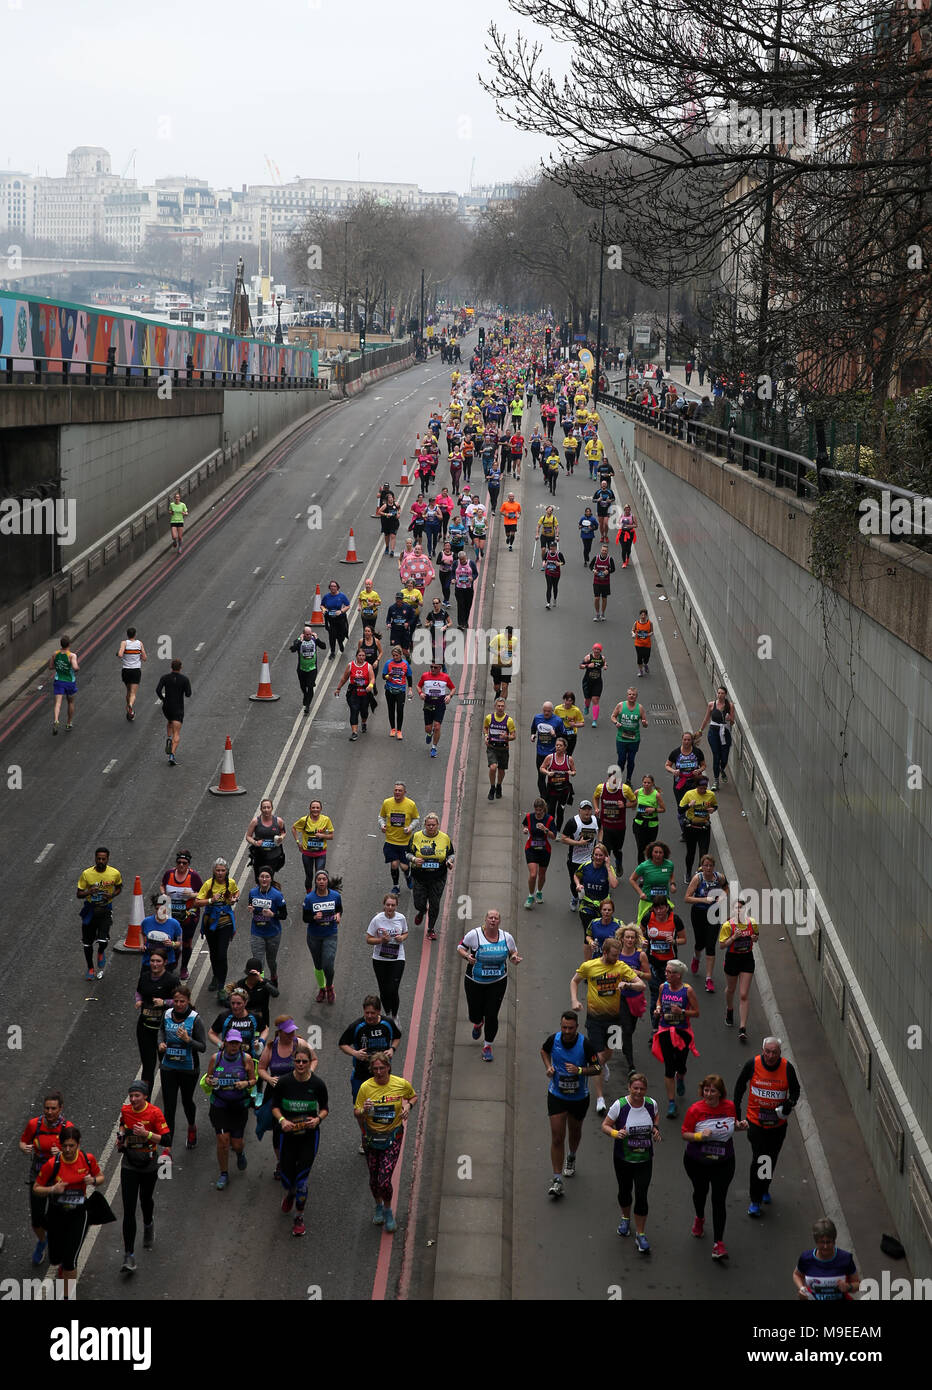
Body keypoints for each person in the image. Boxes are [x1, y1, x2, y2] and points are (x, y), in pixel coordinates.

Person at [571, 935, 646, 1115]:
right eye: (614, 954)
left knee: (609, 1052)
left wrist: (627, 984)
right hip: (595, 1018)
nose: (617, 957)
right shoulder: (590, 966)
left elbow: (641, 985)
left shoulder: (621, 967)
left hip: (614, 1017)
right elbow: (574, 981)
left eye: (618, 954)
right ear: (604, 952)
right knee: (597, 1059)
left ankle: (601, 1065)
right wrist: (574, 1000)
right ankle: (599, 1098)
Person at [33, 1124, 105, 1297]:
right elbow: (37, 1188)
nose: (67, 1149)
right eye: (64, 1145)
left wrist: (93, 1180)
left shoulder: (87, 1159)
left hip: (79, 1214)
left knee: (70, 1261)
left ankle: (67, 1295)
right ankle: (60, 1263)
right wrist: (52, 1190)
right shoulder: (52, 1164)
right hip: (57, 1214)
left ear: (78, 1144)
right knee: (56, 1258)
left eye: (71, 1146)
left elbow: (101, 1177)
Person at [681, 1074, 747, 1259]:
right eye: (706, 1090)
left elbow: (731, 1126)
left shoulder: (729, 1106)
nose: (708, 1094)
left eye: (713, 1091)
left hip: (724, 1162)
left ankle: (719, 1243)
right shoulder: (695, 1110)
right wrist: (700, 1136)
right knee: (700, 1193)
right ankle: (700, 1218)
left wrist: (741, 1126)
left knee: (719, 1200)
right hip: (697, 1162)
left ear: (720, 1093)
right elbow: (684, 1133)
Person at [734, 1036, 801, 1215]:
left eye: (775, 1053)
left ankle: (764, 1187)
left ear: (780, 1053)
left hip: (778, 1125)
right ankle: (755, 1200)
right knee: (760, 1158)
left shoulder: (787, 1068)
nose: (771, 1056)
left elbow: (796, 1091)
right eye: (768, 1052)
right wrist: (736, 1112)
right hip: (755, 1123)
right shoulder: (753, 1064)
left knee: (770, 1158)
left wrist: (789, 1103)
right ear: (763, 1051)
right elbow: (740, 1086)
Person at [541, 1012, 603, 1198]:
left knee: (574, 1132)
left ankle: (572, 1155)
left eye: (570, 1028)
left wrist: (580, 1070)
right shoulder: (554, 1040)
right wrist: (549, 1067)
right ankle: (557, 1179)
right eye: (564, 1027)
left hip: (578, 1098)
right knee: (557, 1137)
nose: (566, 1031)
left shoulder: (585, 1044)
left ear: (577, 1027)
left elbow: (598, 1067)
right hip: (557, 1095)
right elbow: (543, 1051)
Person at [354, 1053, 417, 1233]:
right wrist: (363, 1110)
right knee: (374, 1180)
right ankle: (378, 1206)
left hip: (393, 1136)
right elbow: (356, 1112)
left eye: (382, 1068)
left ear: (389, 1067)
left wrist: (407, 1106)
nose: (379, 1072)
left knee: (384, 1180)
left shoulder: (400, 1084)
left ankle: (388, 1210)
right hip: (371, 1137)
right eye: (375, 1069)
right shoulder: (366, 1087)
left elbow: (413, 1096)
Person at [271, 1044, 329, 1238]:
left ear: (309, 1062)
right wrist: (282, 1121)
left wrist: (317, 1119)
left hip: (309, 1138)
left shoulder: (318, 1084)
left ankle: (299, 1217)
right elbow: (275, 1107)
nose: (301, 1064)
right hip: (287, 1137)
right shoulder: (284, 1083)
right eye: (298, 1061)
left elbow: (325, 1108)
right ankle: (290, 1193)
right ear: (293, 1062)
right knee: (287, 1179)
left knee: (302, 1180)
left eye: (305, 1061)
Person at [117, 1079, 171, 1274]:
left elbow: (166, 1139)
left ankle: (148, 1223)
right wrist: (121, 1138)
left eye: (136, 1095)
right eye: (131, 1095)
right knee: (129, 1210)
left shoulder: (155, 1113)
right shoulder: (126, 1110)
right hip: (129, 1164)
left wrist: (146, 1134)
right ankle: (129, 1255)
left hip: (148, 1165)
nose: (133, 1099)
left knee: (145, 1200)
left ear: (145, 1096)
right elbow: (123, 1125)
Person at [602, 1072, 661, 1250]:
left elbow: (656, 1117)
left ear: (646, 1090)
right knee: (624, 1192)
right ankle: (625, 1219)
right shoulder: (619, 1105)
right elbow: (605, 1125)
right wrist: (615, 1133)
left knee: (642, 1195)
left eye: (642, 1089)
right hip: (623, 1159)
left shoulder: (651, 1104)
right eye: (635, 1088)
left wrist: (656, 1129)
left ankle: (641, 1234)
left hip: (644, 1160)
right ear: (629, 1088)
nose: (638, 1092)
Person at [457, 909, 522, 1062]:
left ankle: (487, 1046)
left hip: (497, 982)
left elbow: (512, 952)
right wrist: (467, 956)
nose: (493, 920)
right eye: (490, 918)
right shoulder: (474, 935)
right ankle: (478, 1023)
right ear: (485, 920)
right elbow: (460, 948)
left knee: (492, 1015)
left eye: (496, 918)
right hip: (474, 981)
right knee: (475, 1014)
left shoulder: (507, 937)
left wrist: (514, 958)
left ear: (499, 921)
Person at [20, 1091, 70, 1267]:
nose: (49, 1112)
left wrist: (64, 1152)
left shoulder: (67, 1128)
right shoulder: (34, 1124)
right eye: (47, 1108)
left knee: (59, 1216)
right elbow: (23, 1140)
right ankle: (43, 1241)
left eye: (53, 1108)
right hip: (39, 1173)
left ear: (61, 1108)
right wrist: (24, 1148)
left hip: (59, 1174)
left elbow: (76, 1152)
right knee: (37, 1219)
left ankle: (62, 1249)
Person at [205, 1028, 256, 1189]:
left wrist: (245, 1083)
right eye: (231, 1043)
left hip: (239, 1106)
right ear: (225, 1042)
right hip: (219, 1105)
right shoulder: (216, 1058)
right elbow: (208, 1077)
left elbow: (254, 1080)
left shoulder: (246, 1059)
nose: (234, 1046)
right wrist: (210, 1081)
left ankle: (240, 1153)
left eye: (237, 1043)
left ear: (240, 1044)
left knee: (236, 1143)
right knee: (222, 1141)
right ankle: (224, 1173)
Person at [158, 982, 207, 1148]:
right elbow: (161, 1031)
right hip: (168, 1067)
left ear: (188, 1001)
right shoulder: (166, 1014)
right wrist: (161, 1043)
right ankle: (168, 1147)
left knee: (187, 1102)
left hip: (188, 1068)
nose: (179, 1004)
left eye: (182, 1001)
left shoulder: (195, 1019)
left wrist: (188, 1040)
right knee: (169, 1107)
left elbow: (202, 1047)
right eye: (176, 1001)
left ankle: (192, 1126)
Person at [650, 959, 700, 1118]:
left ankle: (681, 1077)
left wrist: (682, 1011)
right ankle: (671, 1103)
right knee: (669, 1068)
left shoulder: (687, 991)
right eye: (666, 971)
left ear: (678, 975)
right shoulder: (663, 987)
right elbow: (659, 1000)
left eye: (669, 972)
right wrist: (658, 1008)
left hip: (682, 1032)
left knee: (681, 1065)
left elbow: (697, 1013)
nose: (666, 974)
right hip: (665, 1030)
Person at [339, 997, 402, 1105]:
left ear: (379, 1011)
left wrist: (392, 1049)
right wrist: (355, 1053)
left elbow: (397, 1037)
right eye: (366, 1012)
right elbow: (342, 1044)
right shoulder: (356, 1026)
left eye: (372, 1013)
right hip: (361, 1074)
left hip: (383, 1074)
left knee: (382, 1104)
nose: (369, 1016)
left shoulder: (388, 1023)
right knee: (359, 1108)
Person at [134, 945, 180, 1090]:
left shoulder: (171, 980)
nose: (154, 964)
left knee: (165, 1065)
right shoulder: (145, 977)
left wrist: (165, 1002)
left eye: (158, 961)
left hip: (164, 1030)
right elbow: (139, 991)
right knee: (148, 1066)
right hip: (145, 1028)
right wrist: (138, 1000)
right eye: (152, 961)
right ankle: (145, 1099)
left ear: (165, 962)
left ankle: (169, 1092)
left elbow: (182, 1002)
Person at [195, 858, 240, 1003]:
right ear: (214, 871)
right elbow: (197, 901)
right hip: (210, 923)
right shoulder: (208, 884)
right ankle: (215, 975)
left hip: (225, 923)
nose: (220, 873)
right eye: (218, 870)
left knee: (221, 954)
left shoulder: (230, 883)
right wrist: (211, 901)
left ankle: (221, 987)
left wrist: (234, 899)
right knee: (214, 954)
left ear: (226, 871)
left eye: (223, 870)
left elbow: (236, 892)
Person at [76, 847, 123, 980]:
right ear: (95, 858)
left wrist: (111, 895)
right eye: (98, 858)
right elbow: (79, 894)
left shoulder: (114, 873)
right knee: (87, 943)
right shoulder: (86, 874)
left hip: (105, 910)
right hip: (90, 910)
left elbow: (119, 887)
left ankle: (101, 951)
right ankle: (90, 968)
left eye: (103, 859)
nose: (101, 861)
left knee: (103, 940)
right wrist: (89, 892)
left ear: (108, 859)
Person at [684, 854, 728, 994]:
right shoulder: (698, 878)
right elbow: (687, 898)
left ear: (713, 867)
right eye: (705, 865)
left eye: (710, 866)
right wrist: (703, 900)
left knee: (710, 945)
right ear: (702, 866)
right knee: (700, 942)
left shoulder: (718, 877)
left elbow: (726, 888)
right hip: (699, 913)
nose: (708, 868)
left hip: (714, 913)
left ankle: (709, 978)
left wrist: (722, 896)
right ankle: (696, 957)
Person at [408, 813, 455, 940]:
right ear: (425, 825)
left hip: (438, 878)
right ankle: (422, 911)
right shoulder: (416, 836)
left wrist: (449, 862)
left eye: (433, 825)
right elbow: (407, 853)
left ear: (438, 825)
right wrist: (413, 859)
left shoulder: (444, 838)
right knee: (418, 903)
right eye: (428, 825)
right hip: (419, 877)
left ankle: (431, 929)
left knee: (435, 904)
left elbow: (451, 854)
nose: (431, 827)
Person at [640, 894, 687, 1017]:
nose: (659, 911)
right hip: (652, 962)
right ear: (653, 909)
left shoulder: (675, 919)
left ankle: (669, 1023)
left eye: (662, 908)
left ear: (667, 907)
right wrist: (642, 940)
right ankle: (655, 1027)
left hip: (670, 964)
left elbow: (684, 939)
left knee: (670, 995)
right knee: (655, 994)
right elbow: (639, 933)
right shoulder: (648, 918)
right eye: (656, 908)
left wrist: (674, 941)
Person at [303, 868, 343, 1004]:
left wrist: (338, 916)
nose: (321, 881)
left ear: (327, 881)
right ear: (315, 881)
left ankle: (329, 986)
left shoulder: (335, 896)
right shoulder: (309, 898)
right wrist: (314, 917)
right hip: (314, 936)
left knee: (328, 964)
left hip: (330, 934)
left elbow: (339, 909)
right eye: (319, 879)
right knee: (318, 965)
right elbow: (305, 918)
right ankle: (321, 989)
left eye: (324, 879)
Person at [161, 849, 203, 979]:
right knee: (171, 941)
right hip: (171, 914)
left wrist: (191, 895)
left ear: (188, 864)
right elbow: (163, 885)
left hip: (189, 915)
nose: (181, 865)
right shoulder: (169, 874)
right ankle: (172, 963)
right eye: (179, 862)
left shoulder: (194, 876)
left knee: (186, 942)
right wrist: (163, 894)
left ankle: (184, 968)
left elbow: (203, 893)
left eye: (184, 863)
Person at [366, 893, 408, 1022]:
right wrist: (381, 940)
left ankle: (395, 1017)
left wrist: (402, 937)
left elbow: (405, 932)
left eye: (393, 905)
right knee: (384, 990)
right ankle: (388, 1013)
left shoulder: (401, 918)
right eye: (388, 905)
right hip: (380, 959)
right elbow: (368, 939)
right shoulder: (377, 920)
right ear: (384, 905)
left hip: (397, 958)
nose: (390, 907)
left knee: (393, 989)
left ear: (396, 906)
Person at [794, 1218, 860, 1300]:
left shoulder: (845, 1258)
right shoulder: (806, 1258)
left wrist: (848, 1287)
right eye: (822, 1242)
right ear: (816, 1241)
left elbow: (858, 1284)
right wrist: (802, 1289)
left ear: (834, 1240)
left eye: (828, 1242)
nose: (825, 1246)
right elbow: (797, 1275)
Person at [247, 868, 288, 985]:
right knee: (258, 962)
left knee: (271, 960)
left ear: (271, 879)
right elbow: (251, 905)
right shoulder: (253, 893)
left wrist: (273, 914)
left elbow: (284, 915)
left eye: (267, 877)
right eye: (262, 876)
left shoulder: (277, 895)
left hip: (273, 933)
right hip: (257, 932)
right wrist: (251, 909)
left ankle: (274, 976)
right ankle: (262, 984)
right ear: (258, 878)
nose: (264, 879)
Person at [593, 767, 636, 874]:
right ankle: (605, 875)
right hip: (605, 826)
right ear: (608, 778)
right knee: (605, 851)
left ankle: (619, 863)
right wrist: (596, 808)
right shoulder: (601, 788)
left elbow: (634, 802)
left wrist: (625, 805)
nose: (614, 782)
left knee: (617, 850)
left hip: (619, 827)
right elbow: (595, 797)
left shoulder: (625, 789)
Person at [378, 783, 419, 892]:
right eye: (395, 790)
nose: (397, 792)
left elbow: (416, 819)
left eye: (400, 790)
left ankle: (408, 877)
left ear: (404, 792)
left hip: (405, 842)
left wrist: (410, 827)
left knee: (404, 866)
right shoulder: (387, 803)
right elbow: (381, 817)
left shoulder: (411, 804)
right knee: (394, 864)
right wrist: (382, 825)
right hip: (390, 841)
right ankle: (396, 886)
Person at [560, 798, 601, 905]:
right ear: (579, 811)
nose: (587, 812)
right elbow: (563, 838)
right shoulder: (573, 822)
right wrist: (579, 843)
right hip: (575, 859)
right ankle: (575, 897)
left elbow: (601, 829)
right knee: (574, 884)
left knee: (587, 881)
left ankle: (585, 901)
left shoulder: (596, 820)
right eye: (584, 809)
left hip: (590, 859)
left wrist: (600, 842)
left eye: (589, 809)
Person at [665, 732, 706, 836]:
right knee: (681, 807)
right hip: (680, 784)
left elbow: (704, 765)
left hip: (693, 783)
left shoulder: (697, 752)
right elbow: (667, 765)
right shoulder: (675, 753)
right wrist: (673, 771)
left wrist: (699, 770)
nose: (687, 742)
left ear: (692, 741)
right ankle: (684, 830)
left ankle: (695, 826)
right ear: (682, 740)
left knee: (694, 805)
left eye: (689, 740)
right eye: (685, 740)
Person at [574, 843, 618, 934]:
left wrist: (608, 867)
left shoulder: (608, 869)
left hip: (603, 906)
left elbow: (614, 885)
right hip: (587, 904)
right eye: (596, 855)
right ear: (592, 855)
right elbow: (576, 875)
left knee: (601, 933)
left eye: (601, 855)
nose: (598, 857)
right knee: (588, 934)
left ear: (605, 857)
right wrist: (578, 884)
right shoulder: (586, 866)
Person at [680, 774, 719, 879]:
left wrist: (713, 809)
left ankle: (698, 874)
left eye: (705, 788)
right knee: (691, 852)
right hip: (691, 827)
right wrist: (689, 805)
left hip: (704, 828)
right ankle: (688, 873)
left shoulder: (710, 795)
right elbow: (680, 810)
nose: (703, 790)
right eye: (701, 788)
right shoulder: (689, 794)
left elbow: (715, 805)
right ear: (696, 786)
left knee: (703, 854)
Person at [697, 686, 735, 789]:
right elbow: (706, 719)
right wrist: (700, 730)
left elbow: (732, 722)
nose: (720, 695)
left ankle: (722, 769)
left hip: (724, 733)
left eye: (722, 693)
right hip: (713, 733)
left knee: (724, 758)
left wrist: (729, 718)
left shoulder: (730, 705)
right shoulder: (711, 705)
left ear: (725, 694)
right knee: (716, 756)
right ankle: (716, 781)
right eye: (718, 693)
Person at [291, 799, 334, 890]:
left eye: (317, 808)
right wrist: (298, 842)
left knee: (319, 876)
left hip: (320, 854)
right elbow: (294, 828)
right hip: (307, 854)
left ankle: (317, 895)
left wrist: (322, 835)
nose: (315, 809)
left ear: (321, 809)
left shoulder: (326, 820)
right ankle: (309, 896)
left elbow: (331, 836)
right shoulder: (304, 820)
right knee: (309, 876)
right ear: (309, 809)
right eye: (313, 807)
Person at [155, 657, 191, 765]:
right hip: (178, 708)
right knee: (177, 732)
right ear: (181, 667)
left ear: (171, 667)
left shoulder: (165, 677)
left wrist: (163, 698)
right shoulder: (184, 679)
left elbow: (158, 690)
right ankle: (172, 755)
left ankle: (169, 737)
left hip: (166, 707)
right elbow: (188, 694)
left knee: (170, 721)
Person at [523, 797, 557, 908]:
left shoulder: (549, 819)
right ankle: (530, 896)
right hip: (531, 848)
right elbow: (525, 825)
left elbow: (553, 836)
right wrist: (525, 829)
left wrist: (545, 829)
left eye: (540, 810)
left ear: (544, 809)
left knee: (541, 874)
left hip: (544, 850)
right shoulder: (529, 816)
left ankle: (539, 892)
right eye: (536, 810)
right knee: (533, 874)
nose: (538, 813)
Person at [417, 660, 456, 758]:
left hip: (440, 705)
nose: (432, 669)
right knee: (428, 728)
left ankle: (434, 747)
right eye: (431, 667)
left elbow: (453, 688)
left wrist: (449, 696)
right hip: (428, 704)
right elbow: (418, 686)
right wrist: (420, 693)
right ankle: (429, 734)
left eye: (435, 667)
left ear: (440, 668)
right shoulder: (425, 676)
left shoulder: (445, 677)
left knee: (437, 726)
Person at [612, 687, 648, 784]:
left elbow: (645, 723)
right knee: (621, 760)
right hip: (621, 738)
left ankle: (628, 779)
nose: (631, 696)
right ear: (627, 695)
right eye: (630, 694)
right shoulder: (620, 705)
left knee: (631, 760)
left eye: (634, 695)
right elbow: (613, 716)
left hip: (634, 740)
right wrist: (616, 723)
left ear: (636, 697)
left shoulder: (640, 708)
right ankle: (618, 777)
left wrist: (644, 723)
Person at [245, 798, 287, 881]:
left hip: (274, 855)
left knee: (269, 878)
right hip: (260, 855)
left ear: (272, 808)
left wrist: (281, 837)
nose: (266, 810)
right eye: (264, 808)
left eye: (268, 807)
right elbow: (248, 836)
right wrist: (255, 842)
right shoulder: (255, 822)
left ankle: (268, 892)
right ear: (261, 809)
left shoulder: (279, 821)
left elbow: (283, 832)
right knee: (259, 878)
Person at [530, 701, 567, 794]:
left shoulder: (558, 720)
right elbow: (533, 728)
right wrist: (533, 735)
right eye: (544, 711)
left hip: (553, 754)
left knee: (553, 777)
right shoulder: (537, 718)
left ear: (552, 711)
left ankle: (552, 795)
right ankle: (544, 798)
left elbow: (564, 734)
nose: (546, 713)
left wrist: (555, 735)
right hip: (540, 752)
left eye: (548, 711)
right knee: (541, 775)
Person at [290, 625, 326, 715]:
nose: (309, 636)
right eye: (307, 634)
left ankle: (307, 705)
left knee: (310, 686)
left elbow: (324, 646)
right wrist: (299, 641)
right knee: (303, 686)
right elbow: (292, 649)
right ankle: (305, 696)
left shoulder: (314, 640)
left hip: (312, 669)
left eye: (310, 634)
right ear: (303, 634)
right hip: (301, 669)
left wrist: (317, 639)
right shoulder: (299, 641)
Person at [632, 774, 666, 863]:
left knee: (650, 848)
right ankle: (641, 870)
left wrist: (653, 809)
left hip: (652, 824)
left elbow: (663, 809)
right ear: (642, 783)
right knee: (640, 848)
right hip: (639, 823)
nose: (646, 784)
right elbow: (633, 803)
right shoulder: (637, 792)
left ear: (652, 784)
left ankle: (650, 867)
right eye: (644, 782)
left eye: (648, 783)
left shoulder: (656, 795)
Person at [381, 644, 413, 739]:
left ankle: (399, 731)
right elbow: (383, 676)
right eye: (393, 655)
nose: (395, 657)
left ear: (401, 655)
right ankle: (392, 729)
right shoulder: (388, 663)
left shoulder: (405, 664)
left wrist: (410, 689)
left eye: (396, 655)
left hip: (401, 690)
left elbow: (409, 677)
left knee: (399, 710)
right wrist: (388, 676)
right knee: (391, 709)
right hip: (389, 689)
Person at [49, 635, 79, 733]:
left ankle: (56, 719)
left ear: (61, 644)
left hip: (58, 681)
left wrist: (59, 666)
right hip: (70, 682)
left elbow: (51, 667)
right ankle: (69, 723)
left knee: (58, 703)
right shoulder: (71, 655)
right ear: (69, 644)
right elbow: (75, 667)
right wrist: (76, 668)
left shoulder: (55, 654)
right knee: (70, 702)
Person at [117, 627, 147, 721]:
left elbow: (120, 655)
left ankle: (129, 710)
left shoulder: (124, 643)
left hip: (126, 670)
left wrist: (119, 653)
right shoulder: (139, 643)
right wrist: (138, 655)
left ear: (127, 635)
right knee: (133, 693)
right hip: (135, 670)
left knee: (128, 691)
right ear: (135, 634)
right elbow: (145, 658)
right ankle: (130, 705)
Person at [321, 580, 351, 658]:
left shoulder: (341, 596)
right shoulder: (326, 596)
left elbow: (348, 605)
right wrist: (324, 609)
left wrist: (341, 611)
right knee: (332, 635)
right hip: (331, 619)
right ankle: (332, 652)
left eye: (334, 586)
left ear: (337, 587)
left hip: (340, 618)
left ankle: (340, 642)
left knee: (341, 634)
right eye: (331, 586)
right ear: (329, 588)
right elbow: (322, 605)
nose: (333, 588)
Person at [579, 642, 606, 725]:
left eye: (598, 649)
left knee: (595, 700)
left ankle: (594, 720)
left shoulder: (602, 658)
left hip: (597, 682)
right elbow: (580, 666)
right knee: (588, 699)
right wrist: (587, 666)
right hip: (587, 682)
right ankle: (587, 706)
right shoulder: (588, 657)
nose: (597, 651)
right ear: (593, 649)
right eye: (595, 649)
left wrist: (605, 666)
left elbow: (604, 663)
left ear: (600, 651)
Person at [489, 626, 517, 702]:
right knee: (496, 687)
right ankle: (498, 693)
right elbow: (490, 648)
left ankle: (501, 703)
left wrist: (513, 653)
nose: (509, 638)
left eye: (511, 637)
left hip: (507, 666)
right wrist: (498, 653)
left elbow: (512, 650)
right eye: (508, 636)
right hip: (497, 666)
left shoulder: (514, 640)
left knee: (505, 686)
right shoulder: (497, 638)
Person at [589, 543, 616, 622]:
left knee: (604, 599)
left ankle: (603, 613)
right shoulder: (596, 558)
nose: (604, 552)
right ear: (601, 550)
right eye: (603, 550)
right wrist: (594, 570)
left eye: (605, 551)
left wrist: (608, 571)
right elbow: (590, 566)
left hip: (605, 582)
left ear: (607, 552)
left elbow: (613, 569)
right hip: (597, 581)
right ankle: (597, 614)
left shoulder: (610, 559)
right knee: (597, 598)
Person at [553, 691, 583, 758]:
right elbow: (553, 720)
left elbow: (582, 723)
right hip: (560, 733)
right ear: (564, 699)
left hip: (571, 733)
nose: (568, 703)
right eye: (567, 700)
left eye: (570, 701)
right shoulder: (557, 709)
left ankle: (566, 767)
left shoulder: (576, 710)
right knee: (558, 752)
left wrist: (574, 725)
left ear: (572, 701)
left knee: (568, 755)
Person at [453, 553, 479, 628]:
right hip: (459, 588)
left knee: (467, 606)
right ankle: (461, 623)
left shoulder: (471, 563)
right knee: (460, 605)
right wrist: (453, 579)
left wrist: (472, 578)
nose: (462, 561)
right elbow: (452, 573)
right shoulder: (455, 563)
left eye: (463, 559)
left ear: (466, 557)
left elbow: (475, 573)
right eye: (460, 559)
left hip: (469, 589)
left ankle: (465, 621)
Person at [541, 543, 566, 609]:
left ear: (555, 548)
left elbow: (563, 562)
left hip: (556, 573)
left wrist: (559, 563)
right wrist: (544, 563)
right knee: (549, 587)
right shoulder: (547, 553)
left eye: (553, 548)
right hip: (548, 572)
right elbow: (544, 560)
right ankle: (548, 603)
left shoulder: (559, 554)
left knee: (555, 586)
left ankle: (554, 599)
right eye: (550, 548)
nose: (551, 550)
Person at [376, 491, 401, 557]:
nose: (391, 499)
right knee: (387, 536)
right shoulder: (385, 506)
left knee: (393, 536)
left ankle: (392, 551)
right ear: (387, 499)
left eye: (392, 497)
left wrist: (398, 514)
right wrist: (386, 514)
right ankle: (387, 547)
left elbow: (399, 508)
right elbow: (379, 512)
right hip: (386, 523)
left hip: (394, 523)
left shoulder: (396, 504)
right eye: (389, 498)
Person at [632, 609, 653, 677]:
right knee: (639, 657)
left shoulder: (650, 623)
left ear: (646, 616)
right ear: (640, 615)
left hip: (647, 644)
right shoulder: (636, 623)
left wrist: (648, 635)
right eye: (642, 615)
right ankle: (641, 671)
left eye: (644, 615)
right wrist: (633, 634)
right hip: (638, 644)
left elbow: (652, 632)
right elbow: (632, 630)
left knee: (647, 657)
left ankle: (645, 664)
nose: (643, 616)